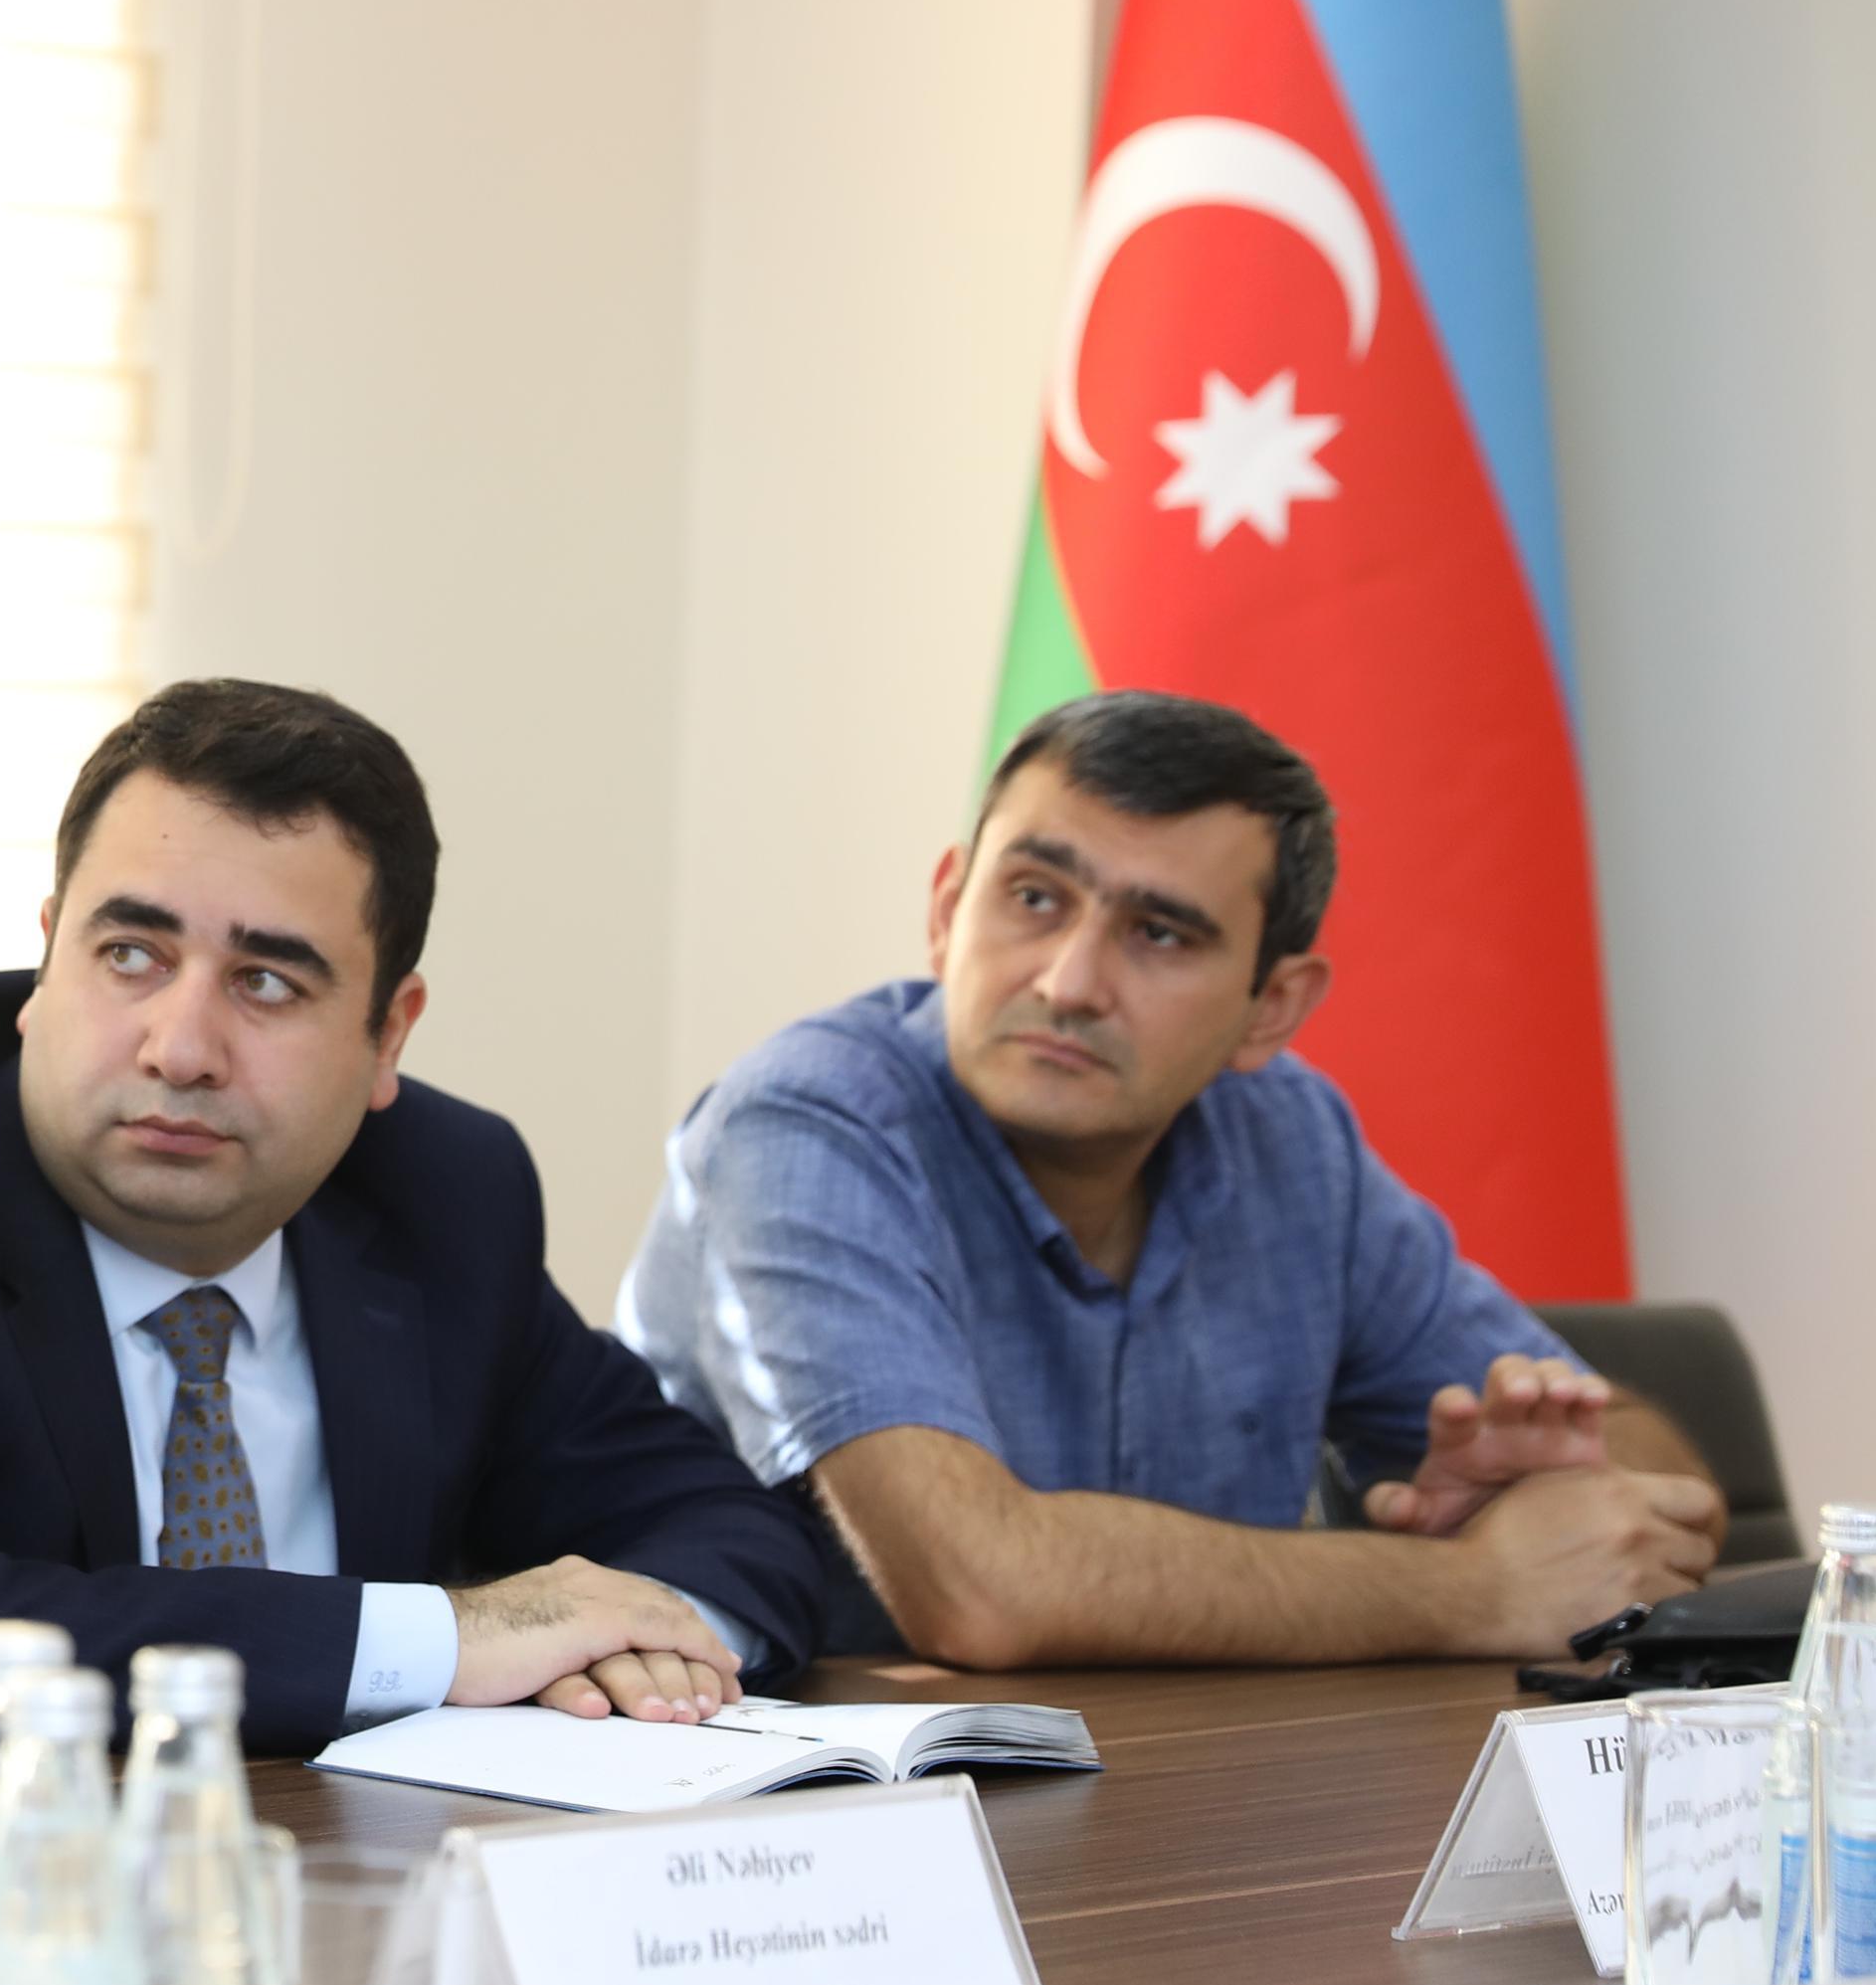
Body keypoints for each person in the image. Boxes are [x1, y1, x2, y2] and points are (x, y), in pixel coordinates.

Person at [0, 680, 826, 1776]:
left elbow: (729, 1527)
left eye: (265, 981)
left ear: (388, 1033)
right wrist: (452, 1638)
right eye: (131, 955)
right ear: (46, 958)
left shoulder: (441, 1198)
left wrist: (641, 1652)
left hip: (300, 1905)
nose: (181, 1046)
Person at [616, 689, 1721, 1670]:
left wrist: (1561, 1489)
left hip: (1178, 1784)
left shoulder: (1291, 1140)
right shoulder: (804, 1123)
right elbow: (980, 1590)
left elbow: (1662, 1481)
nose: (1069, 982)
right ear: (948, 910)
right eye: (1034, 897)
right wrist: (1477, 1585)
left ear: (1271, 1008)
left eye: (1158, 933)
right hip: (792, 1805)